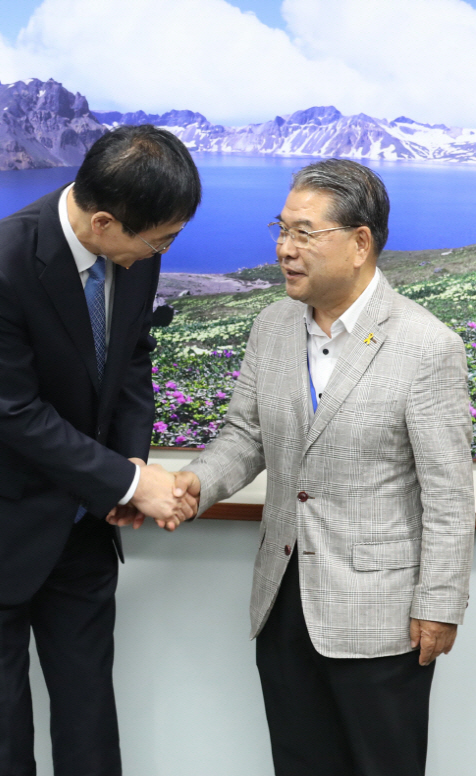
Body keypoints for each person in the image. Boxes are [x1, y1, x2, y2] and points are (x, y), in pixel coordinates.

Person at [166, 159, 475, 776]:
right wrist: (190, 486)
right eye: (280, 230)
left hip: (383, 618)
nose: (285, 249)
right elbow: (244, 435)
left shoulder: (425, 344)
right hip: (284, 607)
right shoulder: (271, 326)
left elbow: (450, 493)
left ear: (361, 242)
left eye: (304, 233)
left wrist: (440, 603)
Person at [0, 124, 200, 776]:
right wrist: (130, 484)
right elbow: (15, 414)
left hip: (82, 527)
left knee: (89, 725)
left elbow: (133, 364)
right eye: (160, 239)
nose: (165, 250)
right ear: (105, 222)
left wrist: (129, 469)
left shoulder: (137, 251)